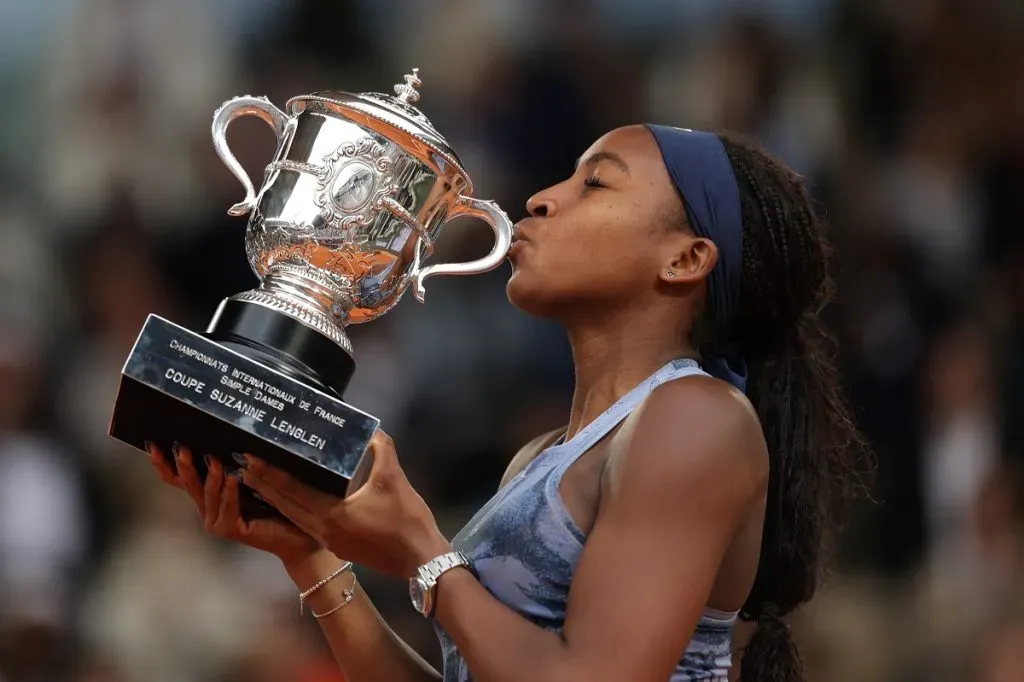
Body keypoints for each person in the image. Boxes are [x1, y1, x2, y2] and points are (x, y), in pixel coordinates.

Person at [146, 123, 871, 682]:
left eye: (597, 184)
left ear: (685, 258)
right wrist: (312, 555)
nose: (542, 198)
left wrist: (425, 555)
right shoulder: (541, 457)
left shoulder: (696, 418)